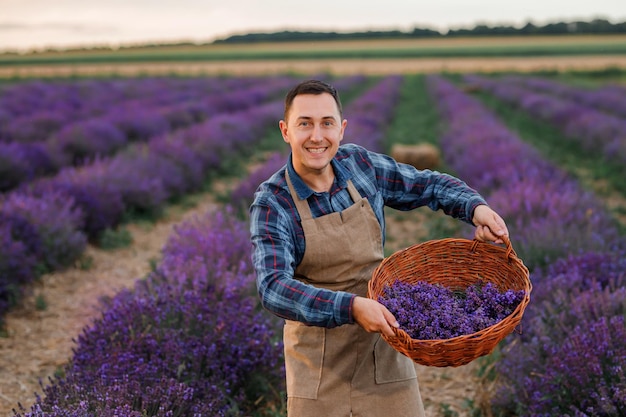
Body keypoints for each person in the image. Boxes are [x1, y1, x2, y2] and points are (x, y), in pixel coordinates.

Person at [249, 79, 509, 417]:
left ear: (341, 129)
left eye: (327, 123)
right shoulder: (273, 203)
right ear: (286, 131)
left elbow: (426, 184)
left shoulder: (360, 166)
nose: (316, 136)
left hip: (384, 355)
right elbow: (273, 288)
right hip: (318, 370)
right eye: (305, 124)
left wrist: (475, 207)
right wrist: (352, 307)